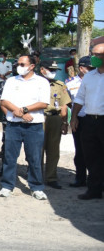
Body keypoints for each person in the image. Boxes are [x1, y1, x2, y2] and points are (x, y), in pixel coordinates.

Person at [0, 55, 49, 200]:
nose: (18, 66)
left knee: (34, 157)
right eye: (18, 63)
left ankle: (36, 187)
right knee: (10, 157)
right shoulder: (11, 81)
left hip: (34, 126)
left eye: (22, 64)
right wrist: (21, 114)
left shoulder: (42, 82)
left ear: (32, 66)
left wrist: (24, 110)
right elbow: (4, 101)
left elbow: (43, 103)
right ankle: (7, 185)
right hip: (13, 125)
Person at [70, 43, 104, 200]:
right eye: (93, 54)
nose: (95, 58)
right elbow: (80, 98)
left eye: (98, 55)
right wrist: (74, 116)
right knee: (91, 156)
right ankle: (94, 190)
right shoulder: (89, 76)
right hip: (90, 121)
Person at [39, 60, 71, 189]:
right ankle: (37, 175)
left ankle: (51, 177)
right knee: (37, 149)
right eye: (50, 70)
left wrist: (64, 122)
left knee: (53, 149)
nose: (53, 73)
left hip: (54, 118)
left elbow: (64, 105)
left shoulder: (60, 85)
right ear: (42, 70)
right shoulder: (34, 84)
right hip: (38, 118)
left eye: (54, 70)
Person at [65, 56, 94, 187]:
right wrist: (73, 118)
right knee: (80, 150)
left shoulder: (99, 79)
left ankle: (95, 179)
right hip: (80, 120)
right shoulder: (70, 83)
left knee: (96, 150)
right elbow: (68, 101)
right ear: (81, 68)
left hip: (96, 119)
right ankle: (80, 178)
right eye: (89, 68)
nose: (92, 70)